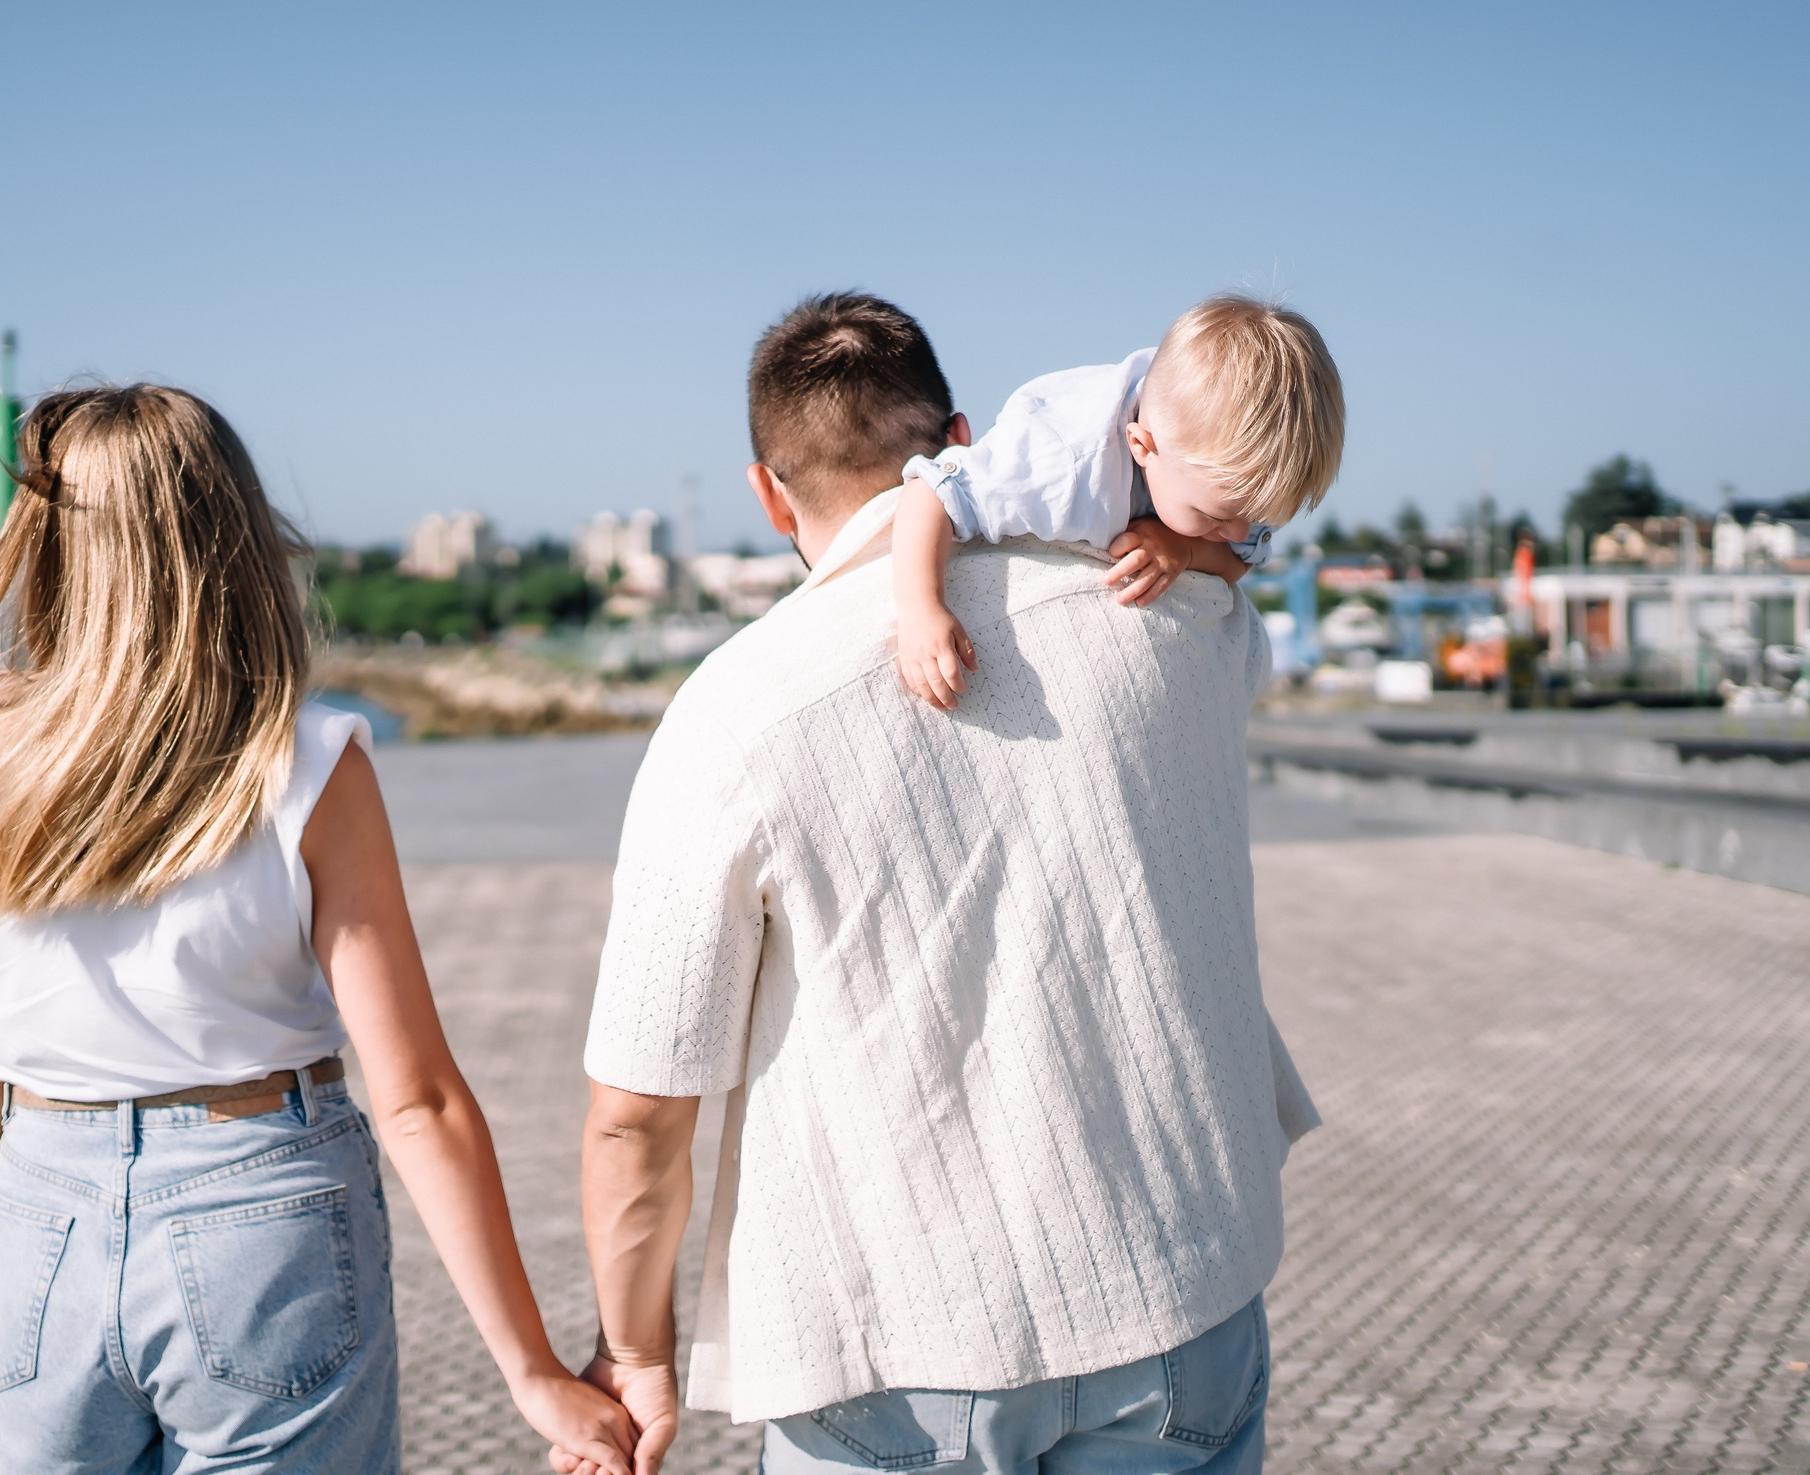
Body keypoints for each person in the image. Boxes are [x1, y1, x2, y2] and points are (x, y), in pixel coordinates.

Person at [561, 294, 1327, 1475]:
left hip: (896, 1350)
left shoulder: (735, 710)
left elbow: (637, 1105)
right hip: (1180, 1294)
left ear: (769, 493)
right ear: (959, 436)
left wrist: (639, 1351)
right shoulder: (1182, 608)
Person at [0, 385, 633, 1475]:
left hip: (36, 1220)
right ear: (232, 538)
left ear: (53, 546)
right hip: (262, 1213)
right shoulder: (302, 758)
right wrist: (534, 1373)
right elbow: (416, 1098)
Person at [890, 296, 1344, 708]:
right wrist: (922, 609)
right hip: (1063, 442)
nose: (1241, 533)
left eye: (1256, 518)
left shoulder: (1240, 482)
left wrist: (1186, 547)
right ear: (1142, 447)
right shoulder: (1062, 466)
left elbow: (1238, 560)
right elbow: (930, 492)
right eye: (1216, 517)